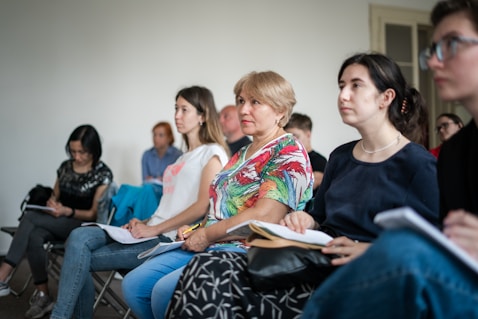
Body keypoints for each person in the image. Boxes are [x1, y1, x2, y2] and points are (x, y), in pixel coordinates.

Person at [166, 53, 440, 319]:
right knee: (208, 270)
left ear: (386, 97)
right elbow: (320, 218)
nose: (343, 95)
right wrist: (304, 219)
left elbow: (432, 246)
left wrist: (367, 248)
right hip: (318, 263)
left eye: (356, 85)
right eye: (341, 86)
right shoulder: (342, 157)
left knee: (211, 274)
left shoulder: (417, 164)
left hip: (366, 276)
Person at [300, 1, 478, 318]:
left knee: (402, 252)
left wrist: (373, 251)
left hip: (410, 268)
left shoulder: (420, 162)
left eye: (451, 44)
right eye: (433, 49)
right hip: (340, 257)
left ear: (387, 98)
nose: (435, 62)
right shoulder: (455, 153)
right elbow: (449, 240)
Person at [121, 70, 314, 319]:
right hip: (212, 241)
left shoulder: (288, 152)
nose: (243, 109)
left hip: (246, 249)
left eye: (255, 102)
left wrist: (206, 234)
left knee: (162, 293)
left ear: (280, 110)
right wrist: (194, 229)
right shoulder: (243, 152)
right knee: (134, 286)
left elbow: (264, 216)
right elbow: (221, 207)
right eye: (241, 101)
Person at [49, 86, 229, 319]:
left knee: (78, 258)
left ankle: (59, 316)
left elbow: (202, 206)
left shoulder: (212, 153)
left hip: (167, 238)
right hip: (153, 229)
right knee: (78, 236)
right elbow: (169, 205)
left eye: (185, 110)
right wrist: (142, 221)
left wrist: (154, 228)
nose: (177, 115)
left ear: (203, 115)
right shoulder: (183, 156)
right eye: (176, 108)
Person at [0, 124, 113, 319]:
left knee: (30, 217)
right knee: (34, 235)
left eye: (82, 152)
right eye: (73, 151)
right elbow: (55, 195)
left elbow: (93, 214)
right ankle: (43, 294)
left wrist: (68, 211)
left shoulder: (103, 174)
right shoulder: (65, 167)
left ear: (93, 150)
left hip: (81, 227)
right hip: (58, 221)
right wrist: (52, 204)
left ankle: (3, 274)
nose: (76, 156)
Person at [284, 112, 327, 195]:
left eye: (295, 136)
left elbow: (306, 186)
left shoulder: (319, 161)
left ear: (308, 135)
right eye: (287, 137)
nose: (290, 141)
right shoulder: (285, 159)